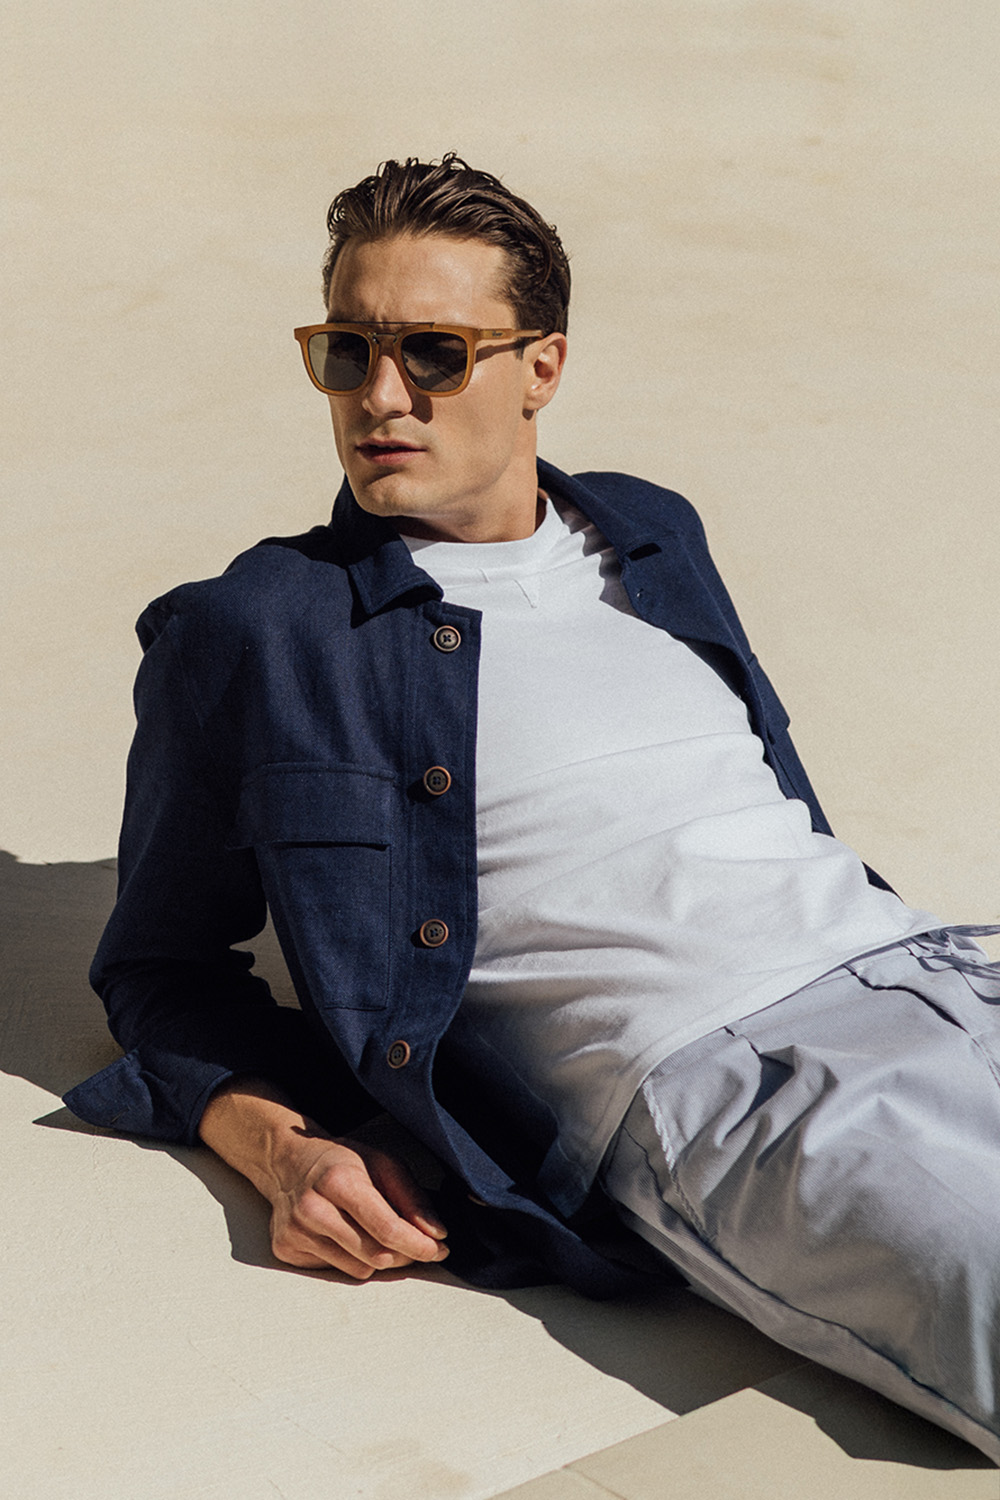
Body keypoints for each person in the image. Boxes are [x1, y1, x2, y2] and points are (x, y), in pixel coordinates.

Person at [66, 154, 1000, 1464]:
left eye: (433, 353)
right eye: (348, 352)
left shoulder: (649, 530)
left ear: (541, 368)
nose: (381, 397)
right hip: (732, 1091)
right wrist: (285, 1150)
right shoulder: (262, 631)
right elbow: (161, 970)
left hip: (942, 970)